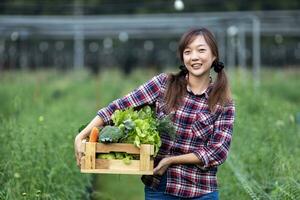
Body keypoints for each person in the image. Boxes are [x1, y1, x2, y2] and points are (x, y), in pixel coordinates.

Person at [74, 27, 235, 200]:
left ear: (214, 56)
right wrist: (82, 135)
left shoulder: (223, 103)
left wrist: (171, 160)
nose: (194, 57)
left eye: (201, 50)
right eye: (188, 52)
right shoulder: (163, 85)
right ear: (183, 57)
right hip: (161, 188)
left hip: (202, 191)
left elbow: (218, 151)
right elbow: (119, 106)